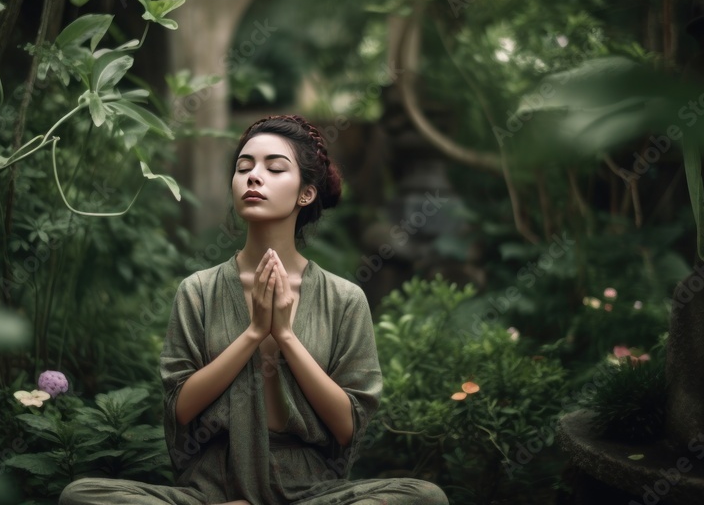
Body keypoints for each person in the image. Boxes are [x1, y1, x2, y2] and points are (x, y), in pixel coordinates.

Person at [60, 115, 447, 504]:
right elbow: (180, 410)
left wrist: (285, 335)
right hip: (213, 488)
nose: (253, 177)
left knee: (425, 497)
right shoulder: (198, 290)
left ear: (306, 193)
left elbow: (347, 427)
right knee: (81, 495)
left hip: (308, 490)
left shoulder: (344, 299)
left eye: (275, 168)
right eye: (243, 167)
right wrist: (253, 333)